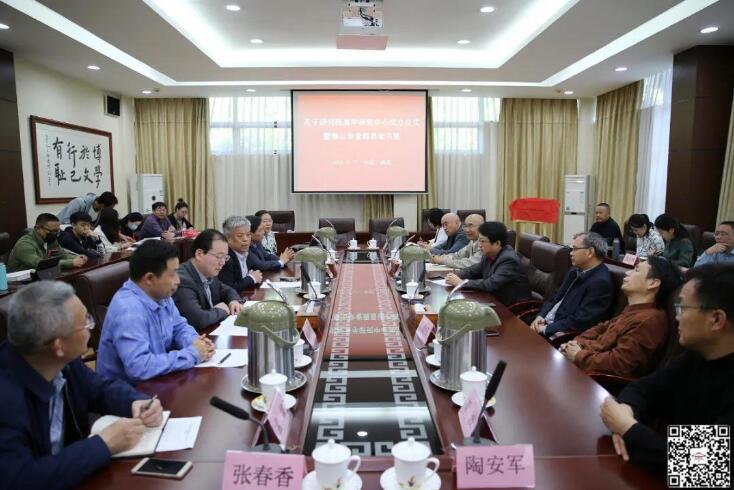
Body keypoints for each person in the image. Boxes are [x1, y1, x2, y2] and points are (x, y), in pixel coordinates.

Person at [0, 281, 164, 489]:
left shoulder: (63, 362)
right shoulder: (6, 397)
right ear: (59, 346)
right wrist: (104, 444)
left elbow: (98, 388)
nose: (91, 327)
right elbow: (20, 479)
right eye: (85, 322)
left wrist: (134, 401)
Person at [600, 264, 734, 476]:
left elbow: (708, 466)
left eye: (682, 308)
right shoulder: (696, 356)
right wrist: (625, 414)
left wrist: (628, 428)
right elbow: (640, 390)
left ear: (717, 319)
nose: (677, 316)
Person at [97, 240, 215, 384]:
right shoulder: (128, 310)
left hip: (157, 381)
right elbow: (140, 367)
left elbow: (179, 327)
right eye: (173, 274)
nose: (178, 281)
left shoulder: (161, 294)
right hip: (129, 392)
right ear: (149, 278)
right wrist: (193, 353)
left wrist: (195, 342)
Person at [560, 257, 683, 377]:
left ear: (652, 283)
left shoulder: (650, 321)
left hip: (598, 381)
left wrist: (579, 355)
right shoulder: (634, 310)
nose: (628, 273)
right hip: (584, 366)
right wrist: (577, 344)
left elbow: (619, 364)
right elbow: (601, 328)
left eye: (636, 270)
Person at [530, 232, 615, 339]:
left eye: (574, 249)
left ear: (590, 252)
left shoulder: (601, 282)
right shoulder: (575, 270)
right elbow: (555, 297)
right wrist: (541, 315)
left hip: (560, 335)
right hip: (545, 324)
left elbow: (581, 320)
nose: (571, 253)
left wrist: (546, 329)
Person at [445, 222, 531, 305]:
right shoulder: (489, 254)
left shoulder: (509, 260)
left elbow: (490, 284)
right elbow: (473, 270)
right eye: (479, 241)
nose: (479, 245)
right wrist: (456, 275)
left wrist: (462, 283)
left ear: (497, 243)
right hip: (492, 298)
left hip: (510, 307)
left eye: (482, 241)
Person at [173, 229, 242, 330]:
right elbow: (198, 320)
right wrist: (221, 311)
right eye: (219, 256)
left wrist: (233, 301)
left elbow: (227, 290)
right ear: (199, 254)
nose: (223, 262)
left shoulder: (208, 272)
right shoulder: (182, 280)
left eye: (225, 257)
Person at [7, 213, 87, 272]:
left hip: (41, 276)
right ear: (38, 228)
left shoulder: (50, 240)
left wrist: (78, 258)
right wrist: (71, 263)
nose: (55, 234)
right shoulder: (25, 244)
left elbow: (62, 254)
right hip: (16, 284)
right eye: (52, 231)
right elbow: (39, 263)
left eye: (57, 231)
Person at [219, 216, 263, 292]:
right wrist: (251, 278)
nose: (245, 239)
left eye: (248, 235)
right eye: (240, 236)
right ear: (227, 238)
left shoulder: (245, 252)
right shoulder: (225, 259)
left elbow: (259, 267)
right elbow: (228, 289)